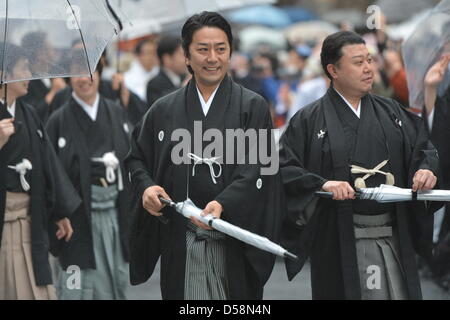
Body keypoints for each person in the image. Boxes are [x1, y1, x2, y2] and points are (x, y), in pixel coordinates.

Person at [125, 11, 282, 300]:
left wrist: (223, 203)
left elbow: (261, 168)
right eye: (203, 49)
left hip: (234, 238)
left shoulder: (253, 106)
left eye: (221, 49)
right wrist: (146, 187)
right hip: (181, 240)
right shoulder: (164, 109)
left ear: (230, 53)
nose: (213, 58)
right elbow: (136, 157)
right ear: (186, 56)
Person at [279, 31, 440, 300]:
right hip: (338, 238)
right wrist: (322, 184)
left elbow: (425, 147)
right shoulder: (308, 120)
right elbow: (284, 170)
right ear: (333, 70)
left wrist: (427, 170)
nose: (368, 68)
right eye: (358, 62)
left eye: (369, 60)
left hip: (392, 232)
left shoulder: (392, 112)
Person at [46, 51, 132, 300]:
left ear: (100, 73)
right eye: (76, 73)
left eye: (90, 72)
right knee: (75, 285)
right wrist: (58, 213)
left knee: (114, 278)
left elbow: (130, 161)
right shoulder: (58, 121)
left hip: (114, 216)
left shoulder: (116, 113)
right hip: (76, 221)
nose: (84, 79)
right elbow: (51, 176)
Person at [0, 43, 80, 299]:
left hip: (29, 220)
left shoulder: (29, 113)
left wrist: (58, 212)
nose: (29, 73)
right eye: (23, 67)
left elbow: (47, 163)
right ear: (4, 74)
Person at [146, 35, 187, 106]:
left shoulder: (184, 77)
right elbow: (160, 108)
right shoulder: (154, 85)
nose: (186, 59)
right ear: (167, 59)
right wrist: (183, 88)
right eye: (181, 55)